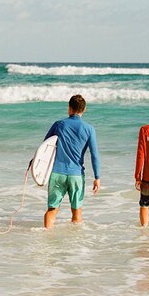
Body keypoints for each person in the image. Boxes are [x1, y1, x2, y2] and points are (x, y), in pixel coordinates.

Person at [43, 94, 101, 229]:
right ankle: (75, 245)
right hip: (76, 175)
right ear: (84, 109)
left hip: (57, 173)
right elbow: (94, 155)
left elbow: (45, 146)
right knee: (77, 210)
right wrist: (97, 177)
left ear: (69, 109)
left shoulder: (59, 125)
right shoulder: (89, 129)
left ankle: (46, 240)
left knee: (52, 209)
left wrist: (35, 164)